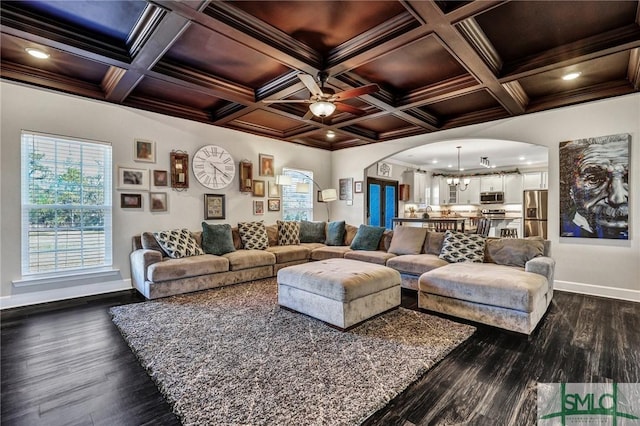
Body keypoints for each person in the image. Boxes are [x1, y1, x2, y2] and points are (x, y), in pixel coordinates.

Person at [559, 134, 629, 239]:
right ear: (570, 185)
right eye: (594, 179)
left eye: (628, 179)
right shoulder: (562, 227)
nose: (617, 199)